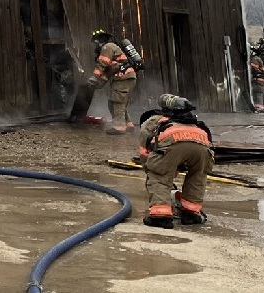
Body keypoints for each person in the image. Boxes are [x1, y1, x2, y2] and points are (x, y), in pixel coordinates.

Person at [135, 93, 214, 228]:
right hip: (202, 147)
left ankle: (161, 217)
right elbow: (193, 146)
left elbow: (145, 151)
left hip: (172, 146)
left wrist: (152, 168)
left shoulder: (155, 120)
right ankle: (191, 214)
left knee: (159, 176)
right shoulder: (194, 121)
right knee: (197, 175)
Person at [89, 29, 138, 134]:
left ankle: (119, 127)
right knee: (117, 102)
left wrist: (94, 77)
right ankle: (128, 124)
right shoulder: (112, 48)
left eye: (95, 42)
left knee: (117, 102)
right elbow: (109, 72)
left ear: (98, 41)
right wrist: (99, 84)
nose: (95, 45)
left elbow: (103, 63)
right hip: (125, 78)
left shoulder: (108, 47)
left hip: (123, 78)